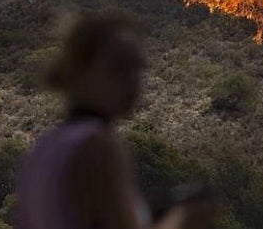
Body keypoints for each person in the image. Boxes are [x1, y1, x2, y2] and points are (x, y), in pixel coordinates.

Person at [16, 13, 208, 229]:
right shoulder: (98, 146)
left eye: (137, 68)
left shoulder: (42, 149)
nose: (132, 81)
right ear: (82, 71)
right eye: (119, 68)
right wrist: (181, 219)